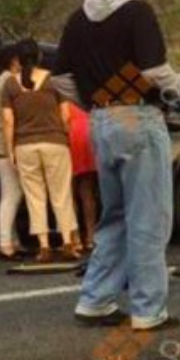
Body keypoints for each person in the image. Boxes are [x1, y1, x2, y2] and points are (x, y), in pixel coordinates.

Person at [50, 0, 180, 332]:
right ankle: (148, 310)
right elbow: (153, 72)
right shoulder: (138, 13)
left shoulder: (77, 17)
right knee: (149, 217)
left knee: (114, 217)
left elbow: (58, 79)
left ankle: (95, 300)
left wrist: (98, 100)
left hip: (100, 121)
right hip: (136, 118)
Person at [2, 43, 83, 264]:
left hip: (25, 145)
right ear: (39, 57)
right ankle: (68, 241)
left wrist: (10, 149)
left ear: (18, 58)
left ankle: (44, 246)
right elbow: (66, 116)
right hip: (55, 142)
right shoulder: (53, 81)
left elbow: (8, 121)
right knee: (61, 194)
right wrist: (64, 135)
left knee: (35, 197)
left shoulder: (10, 84)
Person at [0, 41, 35, 261]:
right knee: (12, 194)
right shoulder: (7, 81)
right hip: (2, 143)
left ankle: (13, 241)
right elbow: (7, 118)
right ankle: (5, 244)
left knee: (10, 193)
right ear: (14, 61)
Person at [67, 104, 99, 252]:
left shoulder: (55, 94)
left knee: (69, 193)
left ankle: (75, 238)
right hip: (87, 135)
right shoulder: (82, 97)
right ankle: (91, 237)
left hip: (70, 137)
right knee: (87, 191)